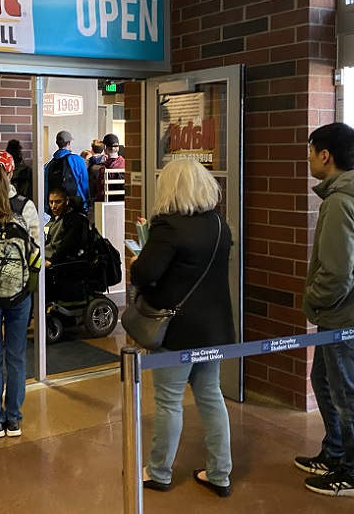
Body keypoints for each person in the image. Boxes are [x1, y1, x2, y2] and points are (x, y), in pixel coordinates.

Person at [129, 159, 234, 498]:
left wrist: (135, 260)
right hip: (213, 327)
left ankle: (159, 471)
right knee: (211, 395)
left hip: (174, 328)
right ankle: (220, 473)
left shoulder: (167, 226)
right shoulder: (220, 225)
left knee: (169, 401)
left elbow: (145, 274)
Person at [295, 122, 354, 499]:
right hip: (353, 312)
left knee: (345, 393)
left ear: (325, 156)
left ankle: (353, 472)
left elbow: (335, 274)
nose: (309, 159)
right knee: (324, 382)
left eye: (311, 151)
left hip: (341, 315)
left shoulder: (340, 203)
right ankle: (334, 453)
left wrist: (312, 303)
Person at [0, 150, 41, 439]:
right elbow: (38, 251)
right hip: (20, 295)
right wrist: (29, 284)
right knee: (16, 357)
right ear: (12, 173)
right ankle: (14, 420)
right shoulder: (26, 206)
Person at [44, 130, 90, 213]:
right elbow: (84, 184)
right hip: (75, 206)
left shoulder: (49, 164)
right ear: (69, 143)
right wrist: (86, 204)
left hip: (55, 208)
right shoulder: (78, 160)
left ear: (57, 143)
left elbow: (46, 187)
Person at [44, 187, 90, 267]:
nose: (53, 206)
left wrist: (51, 261)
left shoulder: (74, 220)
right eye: (51, 202)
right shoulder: (53, 219)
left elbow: (67, 246)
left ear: (67, 200)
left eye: (58, 202)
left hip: (57, 262)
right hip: (44, 256)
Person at [91, 133, 126, 204]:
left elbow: (101, 192)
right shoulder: (125, 163)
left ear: (105, 147)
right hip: (123, 203)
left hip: (109, 204)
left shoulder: (104, 168)